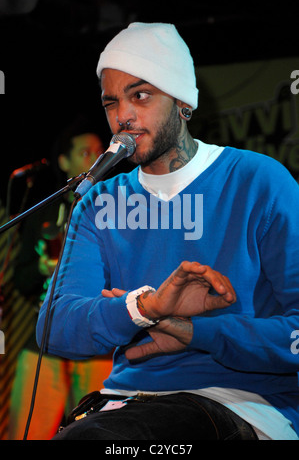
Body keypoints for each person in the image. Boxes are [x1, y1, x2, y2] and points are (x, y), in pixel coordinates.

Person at [37, 23, 299, 441]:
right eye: (111, 102)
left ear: (182, 101)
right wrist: (146, 307)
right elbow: (54, 329)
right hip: (122, 403)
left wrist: (199, 333)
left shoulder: (259, 181)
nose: (122, 115)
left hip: (241, 403)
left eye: (140, 95)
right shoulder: (98, 202)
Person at [9, 117, 113, 440]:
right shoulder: (44, 211)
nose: (96, 158)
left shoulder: (119, 207)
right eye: (85, 152)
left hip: (98, 343)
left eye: (100, 151)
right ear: (64, 161)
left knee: (100, 434)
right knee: (29, 431)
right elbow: (21, 279)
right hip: (44, 345)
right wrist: (42, 269)